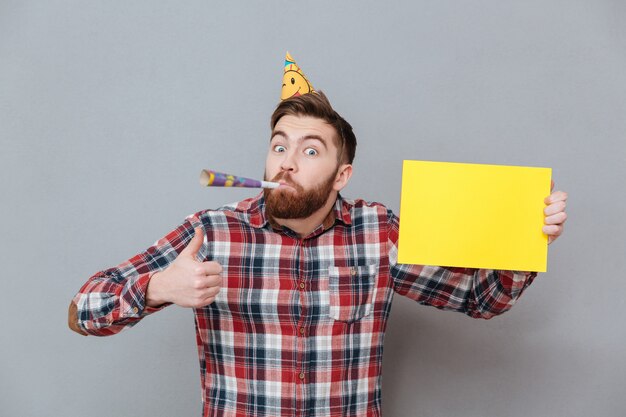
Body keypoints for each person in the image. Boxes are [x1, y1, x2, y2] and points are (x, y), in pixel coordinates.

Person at [69, 56, 568, 417]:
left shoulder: (379, 233)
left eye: (310, 151)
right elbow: (82, 311)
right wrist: (156, 289)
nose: (286, 160)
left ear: (341, 176)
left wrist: (526, 239)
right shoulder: (213, 233)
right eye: (278, 145)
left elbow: (482, 298)